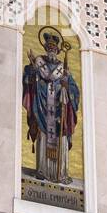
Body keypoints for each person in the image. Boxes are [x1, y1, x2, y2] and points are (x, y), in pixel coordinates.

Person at [22, 26, 80, 184]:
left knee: (60, 138)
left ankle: (60, 173)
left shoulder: (63, 68)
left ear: (58, 50)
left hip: (59, 112)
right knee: (43, 135)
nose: (51, 50)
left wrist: (67, 87)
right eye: (49, 48)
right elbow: (29, 80)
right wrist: (33, 71)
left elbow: (74, 91)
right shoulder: (39, 63)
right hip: (43, 108)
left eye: (54, 48)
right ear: (46, 49)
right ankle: (42, 170)